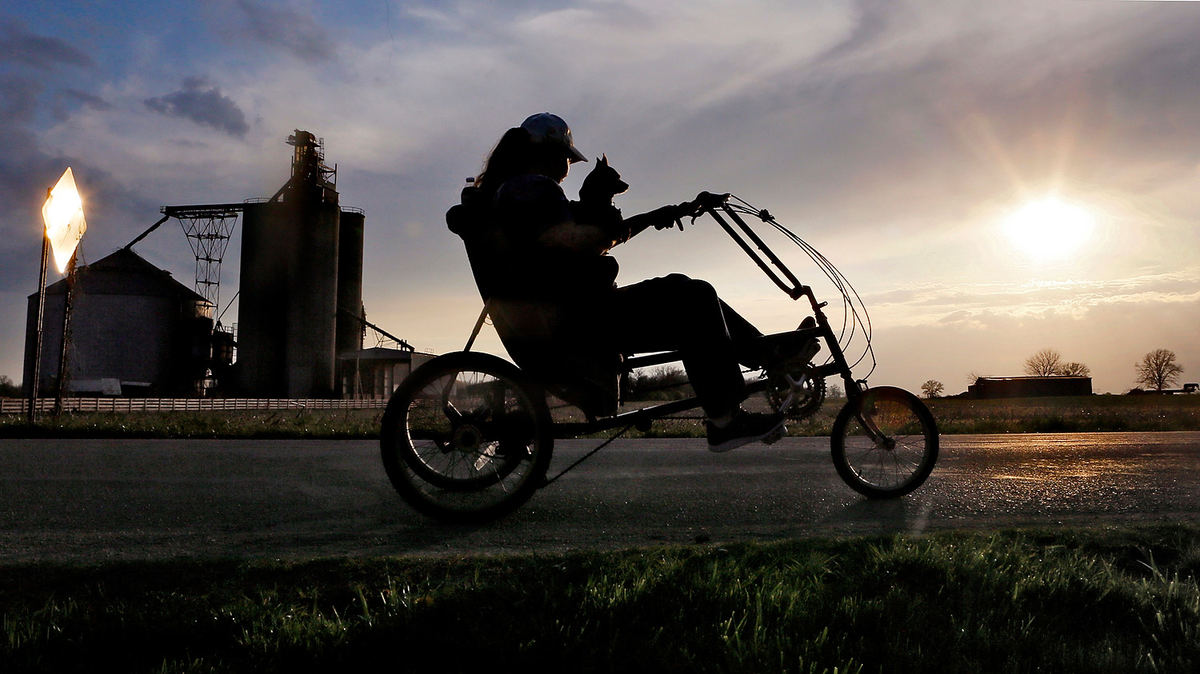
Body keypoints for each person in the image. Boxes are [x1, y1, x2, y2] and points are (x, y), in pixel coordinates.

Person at [455, 112, 797, 452]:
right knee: (692, 296)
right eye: (569, 158)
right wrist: (605, 207)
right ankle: (727, 417)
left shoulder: (516, 189)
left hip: (564, 314)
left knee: (687, 291)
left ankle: (772, 355)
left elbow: (588, 232)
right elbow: (577, 240)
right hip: (577, 318)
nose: (569, 167)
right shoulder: (531, 188)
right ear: (551, 153)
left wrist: (660, 214)